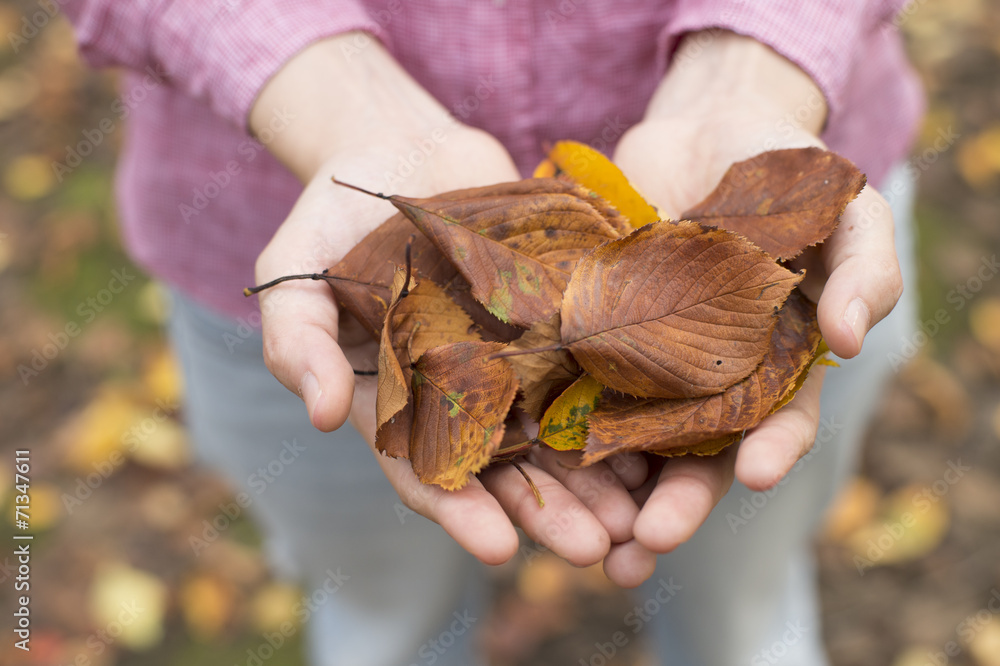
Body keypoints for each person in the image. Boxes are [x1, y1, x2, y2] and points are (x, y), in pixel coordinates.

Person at [64, 2, 923, 664]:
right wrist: (328, 97)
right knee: (379, 599)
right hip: (276, 231)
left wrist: (751, 68)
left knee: (744, 592)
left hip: (786, 194)